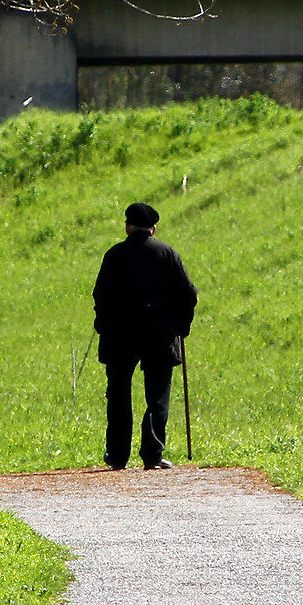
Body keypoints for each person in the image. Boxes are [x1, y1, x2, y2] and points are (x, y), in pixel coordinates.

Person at [91, 201, 197, 469]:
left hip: (119, 336)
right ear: (154, 229)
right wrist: (182, 327)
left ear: (127, 227)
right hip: (159, 336)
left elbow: (101, 295)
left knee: (118, 396)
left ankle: (117, 455)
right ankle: (153, 454)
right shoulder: (167, 253)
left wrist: (102, 324)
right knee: (157, 395)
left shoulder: (114, 255)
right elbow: (188, 294)